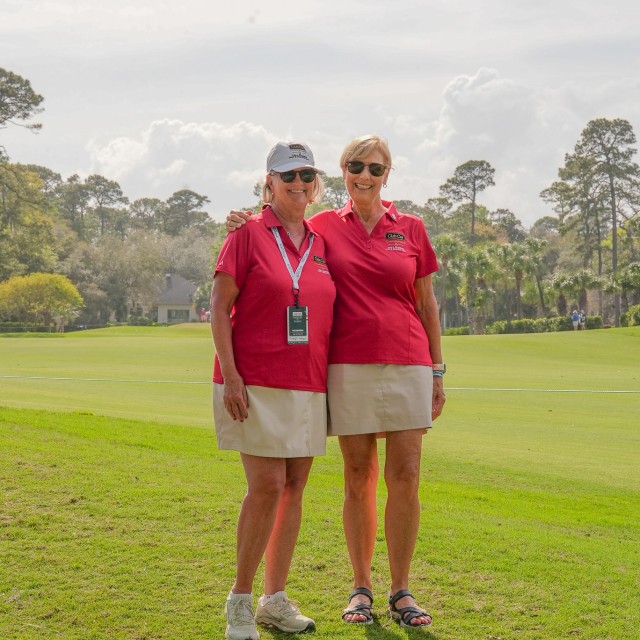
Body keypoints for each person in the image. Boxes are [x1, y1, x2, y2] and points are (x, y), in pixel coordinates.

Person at [227, 134, 445, 629]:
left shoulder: (410, 227)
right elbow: (276, 227)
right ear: (343, 172)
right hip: (346, 365)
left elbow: (427, 304)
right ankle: (362, 588)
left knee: (406, 476)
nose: (364, 175)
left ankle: (401, 589)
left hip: (409, 360)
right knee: (358, 477)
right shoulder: (322, 225)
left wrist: (437, 369)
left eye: (374, 167)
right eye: (355, 165)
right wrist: (240, 217)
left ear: (388, 174)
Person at [211, 141, 336, 639]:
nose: (299, 185)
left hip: (308, 382)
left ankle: (274, 600)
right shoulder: (245, 232)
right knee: (265, 488)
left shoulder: (321, 239)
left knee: (295, 489)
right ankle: (240, 603)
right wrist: (232, 375)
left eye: (307, 175)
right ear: (269, 183)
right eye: (289, 177)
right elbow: (220, 307)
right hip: (255, 380)